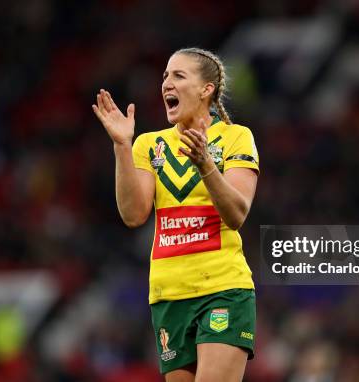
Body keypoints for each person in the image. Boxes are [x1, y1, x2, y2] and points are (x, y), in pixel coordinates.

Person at [92, 47, 259, 382]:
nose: (167, 83)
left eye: (178, 76)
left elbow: (237, 213)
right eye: (165, 76)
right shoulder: (148, 145)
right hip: (169, 295)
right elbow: (133, 214)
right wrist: (122, 146)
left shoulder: (235, 137)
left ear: (205, 89)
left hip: (222, 289)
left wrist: (206, 166)